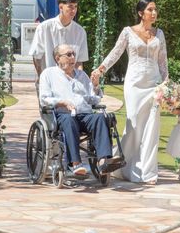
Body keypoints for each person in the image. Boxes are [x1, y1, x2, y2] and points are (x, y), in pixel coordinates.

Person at [91, 0, 168, 184]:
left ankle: (147, 172)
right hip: (134, 84)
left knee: (152, 126)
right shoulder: (128, 32)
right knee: (133, 123)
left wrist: (166, 84)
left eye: (155, 9)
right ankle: (122, 164)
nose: (154, 13)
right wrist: (100, 69)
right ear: (141, 13)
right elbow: (116, 52)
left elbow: (163, 62)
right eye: (150, 9)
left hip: (154, 84)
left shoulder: (160, 34)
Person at [39, 44, 123, 176]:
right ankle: (75, 164)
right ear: (57, 58)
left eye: (73, 54)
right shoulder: (48, 74)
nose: (73, 57)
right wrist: (62, 102)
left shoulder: (81, 75)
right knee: (69, 120)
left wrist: (95, 86)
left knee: (101, 117)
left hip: (84, 114)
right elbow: (44, 99)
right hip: (62, 115)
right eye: (68, 54)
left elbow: (94, 100)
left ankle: (103, 161)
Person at [29, 0, 88, 77]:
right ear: (61, 7)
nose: (74, 10)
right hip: (49, 80)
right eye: (70, 6)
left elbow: (79, 61)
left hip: (71, 82)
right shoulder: (44, 28)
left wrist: (79, 80)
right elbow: (36, 56)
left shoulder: (80, 31)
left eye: (75, 6)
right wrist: (41, 77)